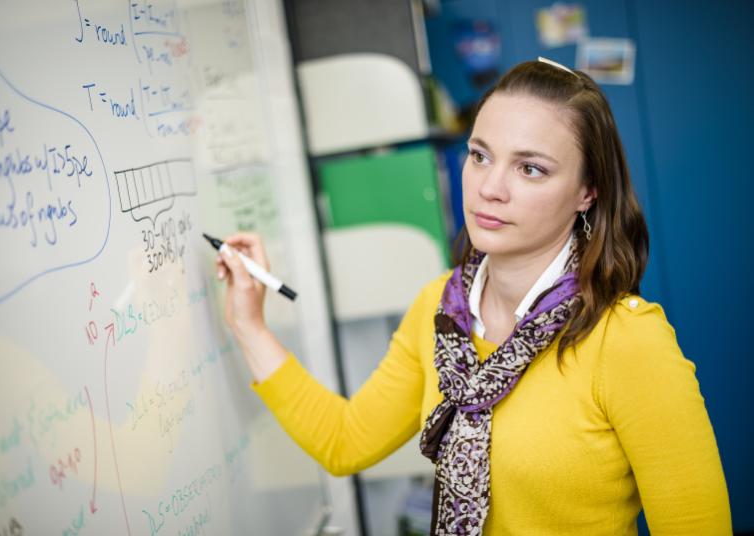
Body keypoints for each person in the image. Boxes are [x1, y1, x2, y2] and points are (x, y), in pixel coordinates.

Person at [214, 59, 732, 535]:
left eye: (530, 168)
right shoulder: (438, 308)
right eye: (480, 156)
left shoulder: (624, 340)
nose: (490, 188)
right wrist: (249, 323)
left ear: (587, 191)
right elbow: (345, 441)